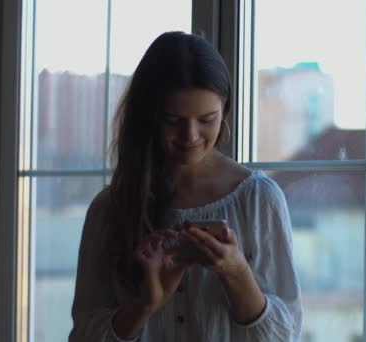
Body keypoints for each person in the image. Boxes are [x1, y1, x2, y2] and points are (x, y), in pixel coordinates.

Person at [68, 31, 302, 342]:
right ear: (148, 117)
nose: (190, 136)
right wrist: (145, 304)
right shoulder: (110, 210)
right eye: (172, 120)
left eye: (207, 119)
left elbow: (285, 336)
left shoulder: (259, 200)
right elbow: (83, 336)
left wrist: (236, 272)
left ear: (226, 110)